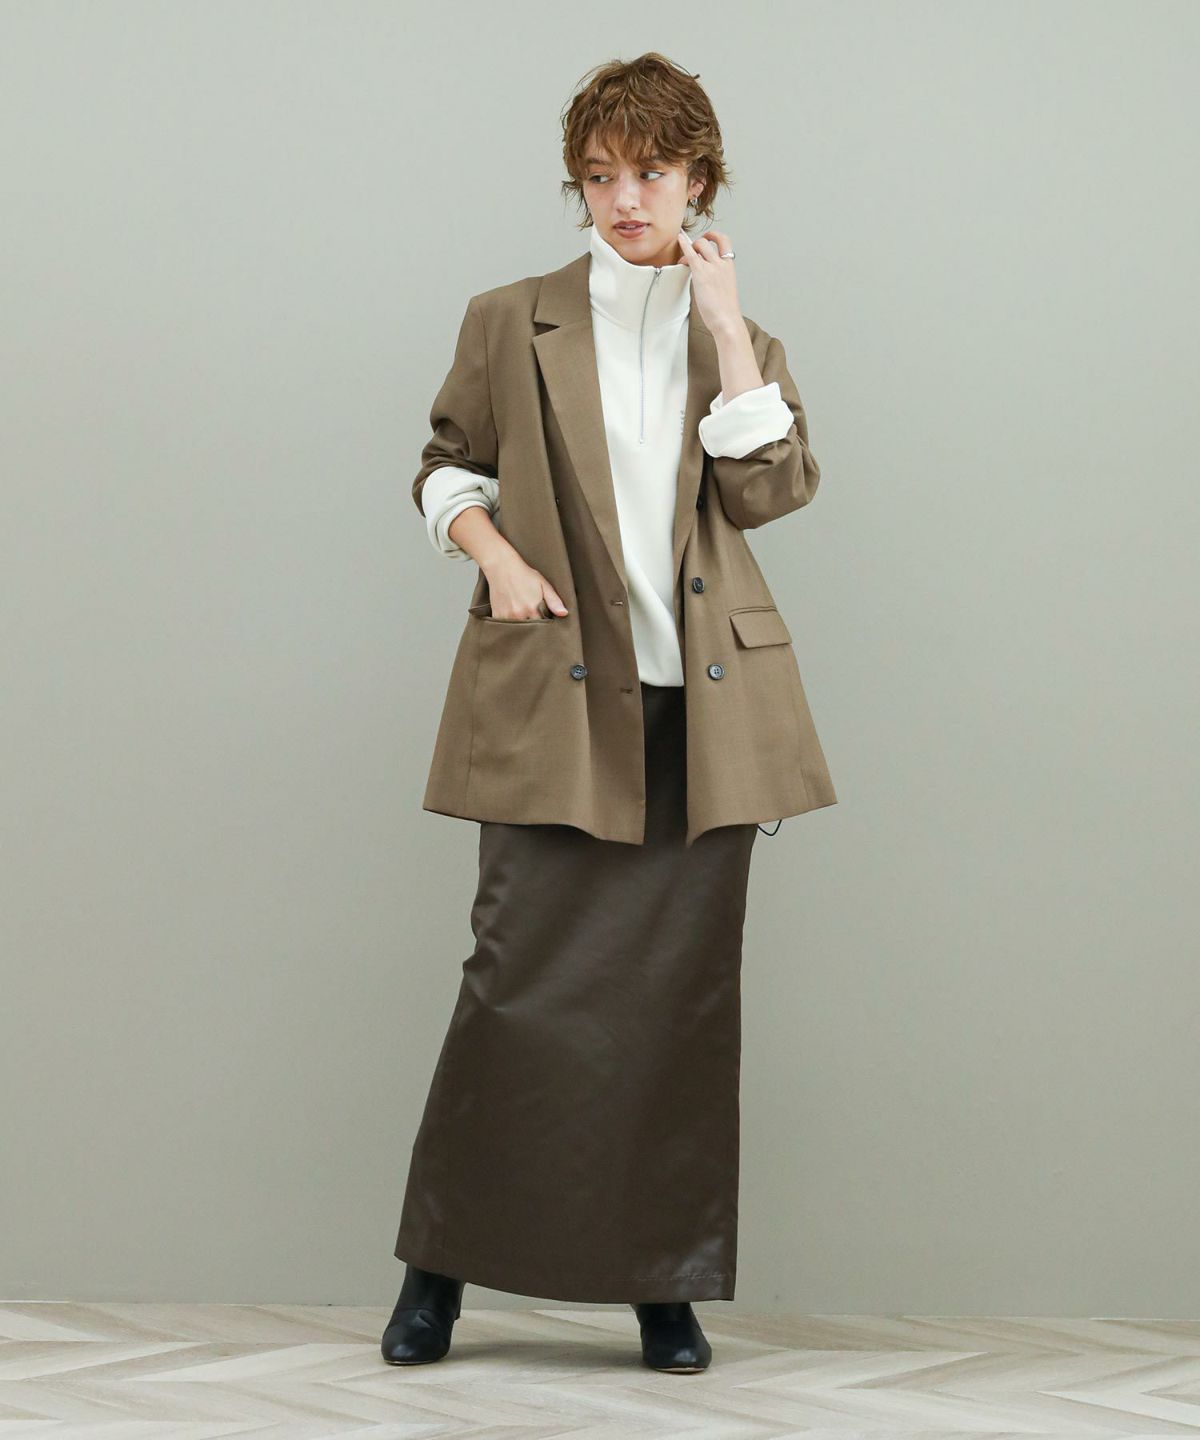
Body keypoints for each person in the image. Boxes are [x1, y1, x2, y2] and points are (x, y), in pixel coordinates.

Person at [383, 52, 837, 1374]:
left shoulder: (739, 344)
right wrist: (493, 556)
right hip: (556, 701)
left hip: (703, 717)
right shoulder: (509, 318)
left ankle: (663, 1288)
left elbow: (768, 493)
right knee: (512, 993)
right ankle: (436, 1273)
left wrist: (729, 328)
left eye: (650, 172)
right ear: (577, 185)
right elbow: (445, 467)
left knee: (678, 1006)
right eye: (599, 175)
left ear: (699, 181)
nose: (624, 198)